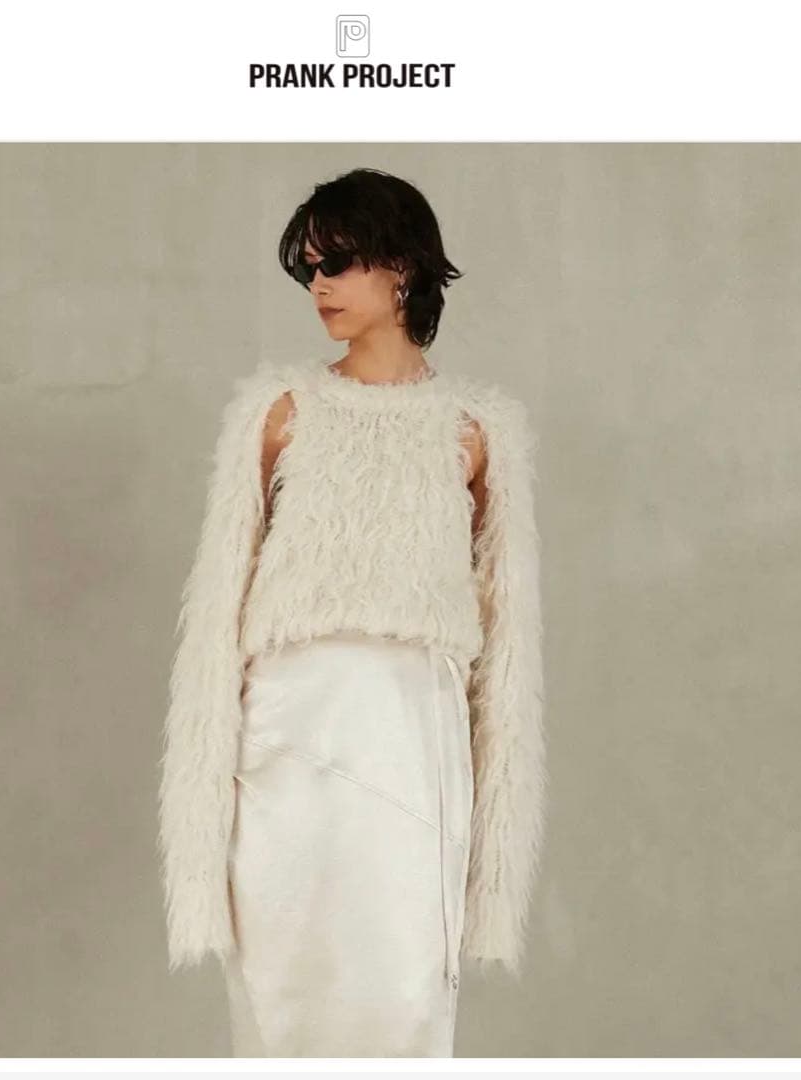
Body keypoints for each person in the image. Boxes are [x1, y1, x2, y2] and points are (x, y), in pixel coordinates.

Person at [157, 167, 546, 1057]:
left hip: (411, 744)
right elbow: (214, 616)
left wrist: (494, 833)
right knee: (280, 993)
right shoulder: (279, 415)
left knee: (402, 994)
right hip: (284, 742)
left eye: (337, 263)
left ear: (401, 266)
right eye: (309, 268)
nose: (319, 286)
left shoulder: (474, 432)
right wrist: (207, 792)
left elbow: (507, 648)